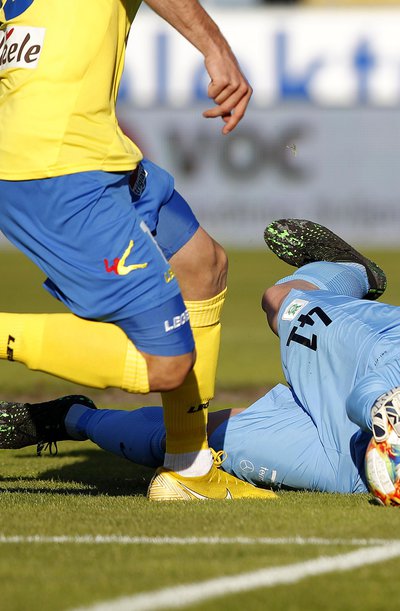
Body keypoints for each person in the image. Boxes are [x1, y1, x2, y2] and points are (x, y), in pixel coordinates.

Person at [0, 220, 400, 510]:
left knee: (180, 448)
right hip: (375, 357)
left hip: (345, 459)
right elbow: (372, 383)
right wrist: (395, 414)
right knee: (278, 300)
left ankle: (66, 419)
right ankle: (355, 273)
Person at [0, 0, 274, 499]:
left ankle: (187, 470)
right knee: (167, 366)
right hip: (59, 168)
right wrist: (216, 50)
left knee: (202, 264)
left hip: (99, 152)